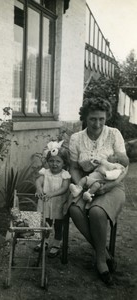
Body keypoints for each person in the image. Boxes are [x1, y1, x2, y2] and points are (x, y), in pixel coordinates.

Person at [68, 97, 129, 285]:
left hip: (112, 183)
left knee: (96, 212)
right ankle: (104, 252)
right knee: (74, 209)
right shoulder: (76, 138)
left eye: (101, 119)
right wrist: (82, 185)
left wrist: (108, 186)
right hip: (87, 183)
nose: (97, 123)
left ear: (106, 117)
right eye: (93, 118)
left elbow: (123, 166)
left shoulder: (114, 134)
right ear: (85, 117)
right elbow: (73, 168)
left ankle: (101, 261)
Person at [35, 141, 71, 258]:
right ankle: (44, 241)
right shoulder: (45, 172)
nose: (54, 164)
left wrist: (52, 194)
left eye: (58, 161)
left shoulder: (65, 175)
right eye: (51, 161)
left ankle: (56, 244)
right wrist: (39, 189)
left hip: (58, 204)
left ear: (64, 163)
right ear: (47, 162)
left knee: (58, 224)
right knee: (46, 223)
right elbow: (38, 181)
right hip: (46, 203)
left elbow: (64, 188)